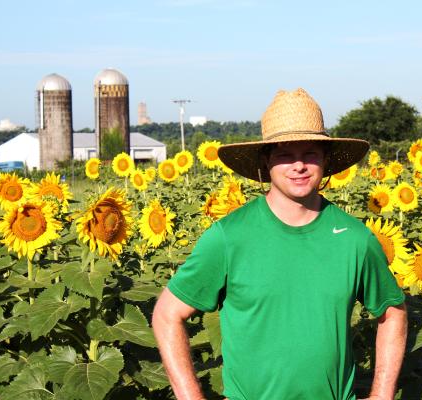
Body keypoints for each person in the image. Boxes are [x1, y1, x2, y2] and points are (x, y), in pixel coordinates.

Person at [152, 88, 407, 400]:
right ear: (266, 162)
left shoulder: (354, 238)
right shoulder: (230, 237)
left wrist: (382, 394)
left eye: (309, 153)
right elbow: (167, 314)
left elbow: (393, 310)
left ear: (325, 161)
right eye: (285, 154)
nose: (298, 166)